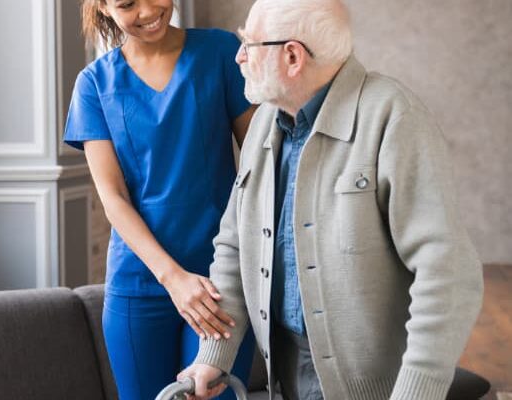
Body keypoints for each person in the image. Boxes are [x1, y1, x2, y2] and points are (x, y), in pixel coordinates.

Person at [176, 0, 484, 399]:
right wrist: (213, 355)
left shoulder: (393, 117)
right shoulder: (265, 121)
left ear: (292, 56)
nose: (239, 56)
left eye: (249, 43)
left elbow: (448, 274)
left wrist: (417, 393)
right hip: (284, 374)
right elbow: (235, 246)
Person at [63, 1, 259, 398]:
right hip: (138, 284)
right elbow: (113, 197)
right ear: (103, 6)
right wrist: (174, 279)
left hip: (221, 282)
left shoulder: (220, 52)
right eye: (127, 3)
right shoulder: (94, 83)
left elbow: (260, 167)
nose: (149, 10)